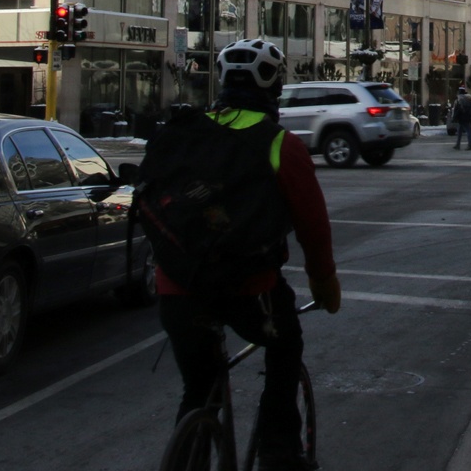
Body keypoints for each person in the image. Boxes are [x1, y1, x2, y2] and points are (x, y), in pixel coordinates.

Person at [145, 38, 341, 471]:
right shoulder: (279, 144)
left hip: (178, 287)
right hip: (250, 289)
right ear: (273, 85)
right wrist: (323, 282)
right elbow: (313, 227)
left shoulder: (182, 133)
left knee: (199, 385)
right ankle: (279, 453)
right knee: (284, 346)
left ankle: (191, 448)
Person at [451, 85, 471, 150]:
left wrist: (454, 117)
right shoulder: (469, 98)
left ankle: (469, 145)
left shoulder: (459, 99)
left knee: (467, 131)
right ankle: (458, 144)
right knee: (460, 131)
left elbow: (457, 109)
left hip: (462, 117)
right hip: (468, 116)